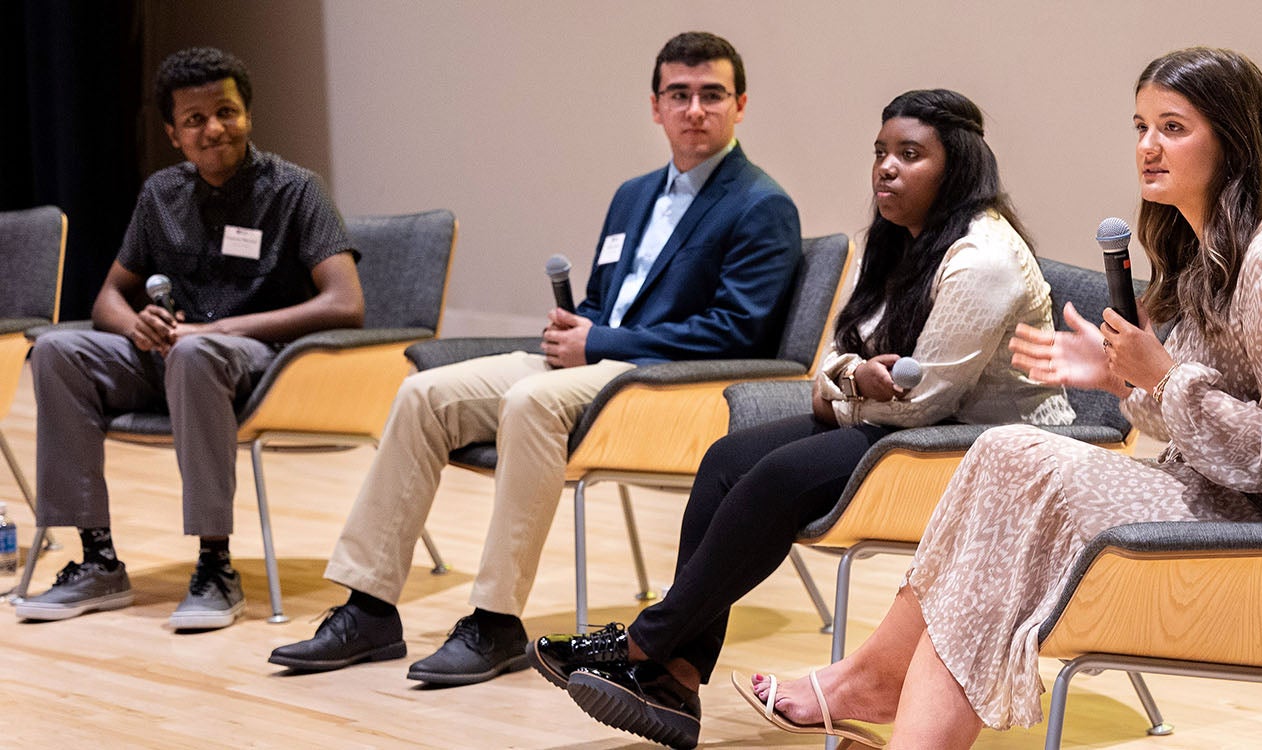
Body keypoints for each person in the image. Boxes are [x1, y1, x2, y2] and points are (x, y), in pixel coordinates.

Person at [741, 46, 1262, 747]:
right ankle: (878, 682)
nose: (1148, 147)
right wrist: (1122, 380)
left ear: (1231, 140)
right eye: (1140, 126)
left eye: (1173, 127)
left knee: (1016, 455)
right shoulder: (1208, 257)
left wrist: (1160, 376)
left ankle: (882, 690)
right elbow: (1206, 421)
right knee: (1001, 454)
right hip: (1230, 501)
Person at [525, 88, 1074, 749]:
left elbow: (923, 400)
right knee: (727, 461)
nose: (886, 169)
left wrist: (838, 391)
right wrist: (846, 383)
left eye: (909, 155)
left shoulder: (983, 259)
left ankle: (646, 643)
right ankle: (675, 676)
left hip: (991, 453)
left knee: (779, 476)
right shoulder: (900, 241)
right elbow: (842, 355)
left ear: (955, 167)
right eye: (880, 153)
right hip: (908, 429)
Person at [266, 31, 802, 685]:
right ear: (655, 106)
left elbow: (736, 333)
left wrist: (599, 342)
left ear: (740, 105)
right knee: (423, 394)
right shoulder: (633, 194)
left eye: (712, 95)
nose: (695, 109)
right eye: (679, 94)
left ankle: (494, 624)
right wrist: (582, 325)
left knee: (529, 401)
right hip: (593, 364)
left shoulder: (760, 204)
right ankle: (369, 607)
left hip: (664, 385)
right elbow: (607, 298)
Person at [13, 48, 365, 631]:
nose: (214, 129)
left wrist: (218, 329)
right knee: (55, 348)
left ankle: (215, 566)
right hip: (174, 358)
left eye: (226, 112)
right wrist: (136, 325)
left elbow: (344, 303)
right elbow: (106, 298)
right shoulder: (160, 194)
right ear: (174, 134)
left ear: (248, 115)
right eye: (195, 120)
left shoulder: (296, 189)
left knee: (197, 351)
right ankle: (97, 559)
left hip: (262, 364)